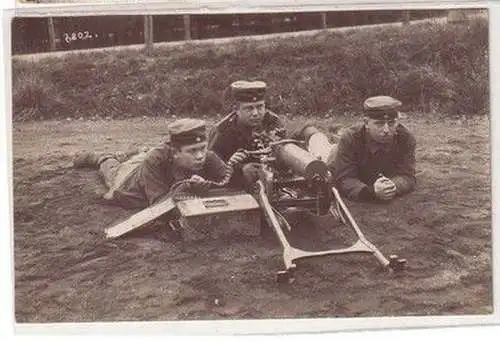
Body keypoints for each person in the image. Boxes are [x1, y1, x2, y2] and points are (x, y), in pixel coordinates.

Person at [73, 118, 227, 210]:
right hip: (132, 185)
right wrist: (187, 187)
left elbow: (228, 180)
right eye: (192, 151)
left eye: (202, 148)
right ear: (175, 152)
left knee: (144, 156)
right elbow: (159, 205)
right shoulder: (154, 161)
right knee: (114, 172)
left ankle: (139, 151)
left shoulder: (208, 156)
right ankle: (101, 157)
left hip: (152, 162)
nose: (200, 156)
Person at [331, 96, 416, 202]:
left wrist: (394, 185)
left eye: (391, 123)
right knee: (325, 154)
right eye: (379, 123)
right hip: (334, 158)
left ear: (397, 122)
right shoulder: (350, 138)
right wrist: (371, 192)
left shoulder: (405, 138)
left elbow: (408, 175)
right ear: (366, 123)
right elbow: (344, 179)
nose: (386, 130)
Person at [207, 80, 285, 187]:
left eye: (260, 107)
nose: (255, 113)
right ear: (236, 110)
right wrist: (240, 170)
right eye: (249, 108)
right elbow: (211, 166)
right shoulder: (223, 131)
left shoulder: (272, 122)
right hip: (236, 185)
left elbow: (283, 153)